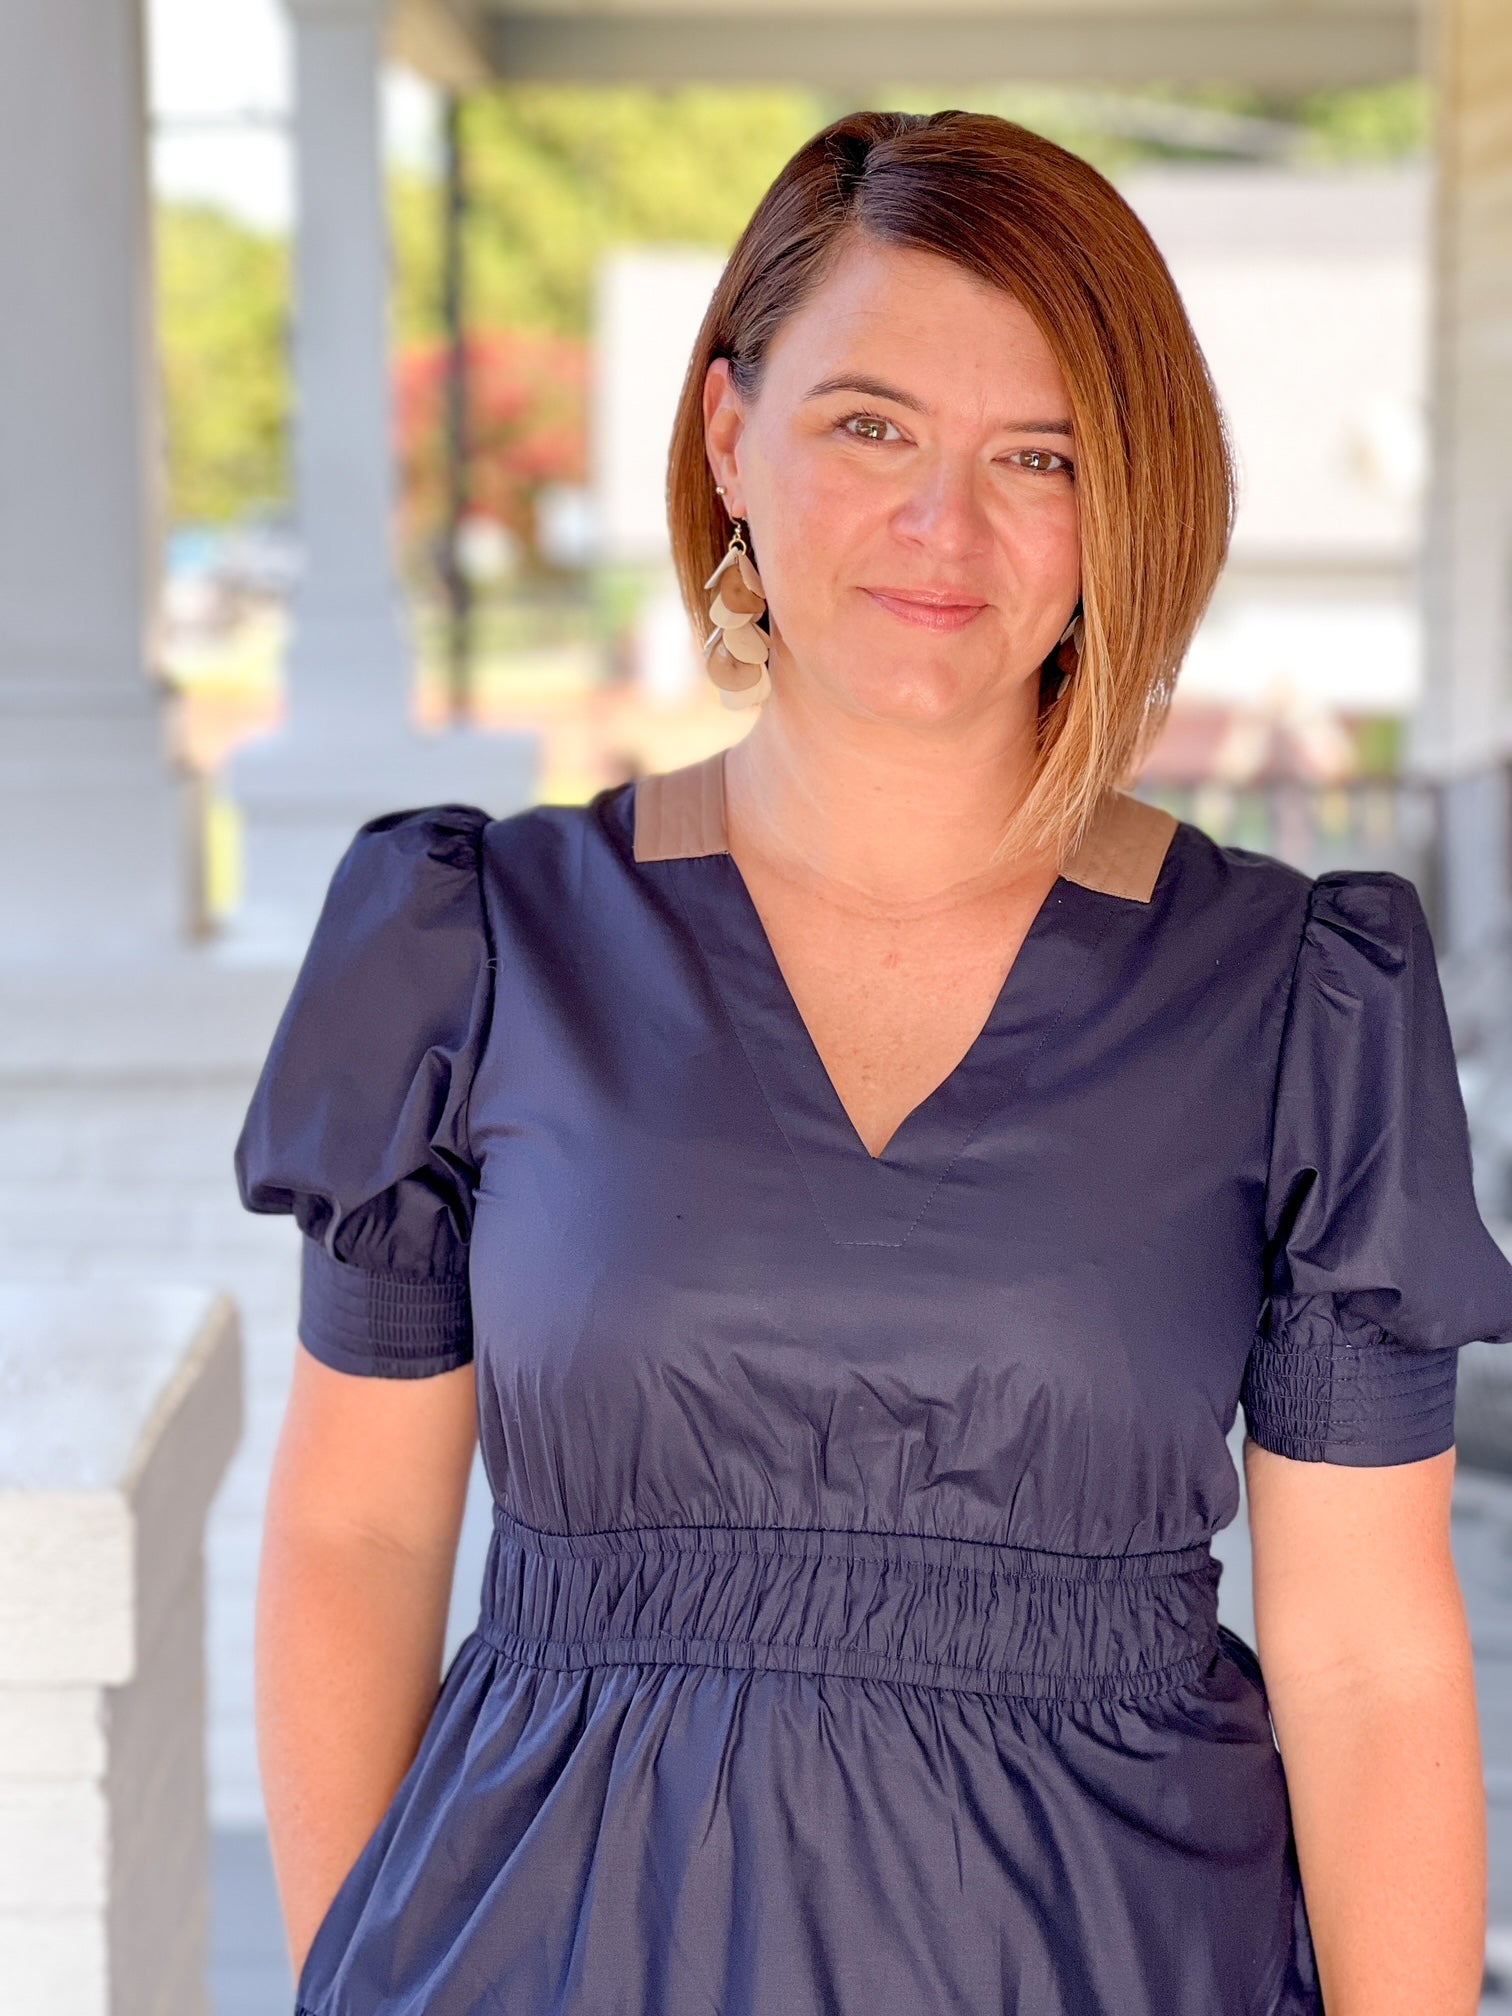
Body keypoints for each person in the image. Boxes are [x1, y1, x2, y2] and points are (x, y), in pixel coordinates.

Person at [235, 108, 1512, 2016]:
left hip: (1111, 1959)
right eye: (870, 426)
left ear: (1128, 505)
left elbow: (1366, 1656)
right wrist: (371, 1970)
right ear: (729, 434)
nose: (946, 528)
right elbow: (357, 1525)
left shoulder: (1293, 997)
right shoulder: (474, 944)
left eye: (1041, 457)